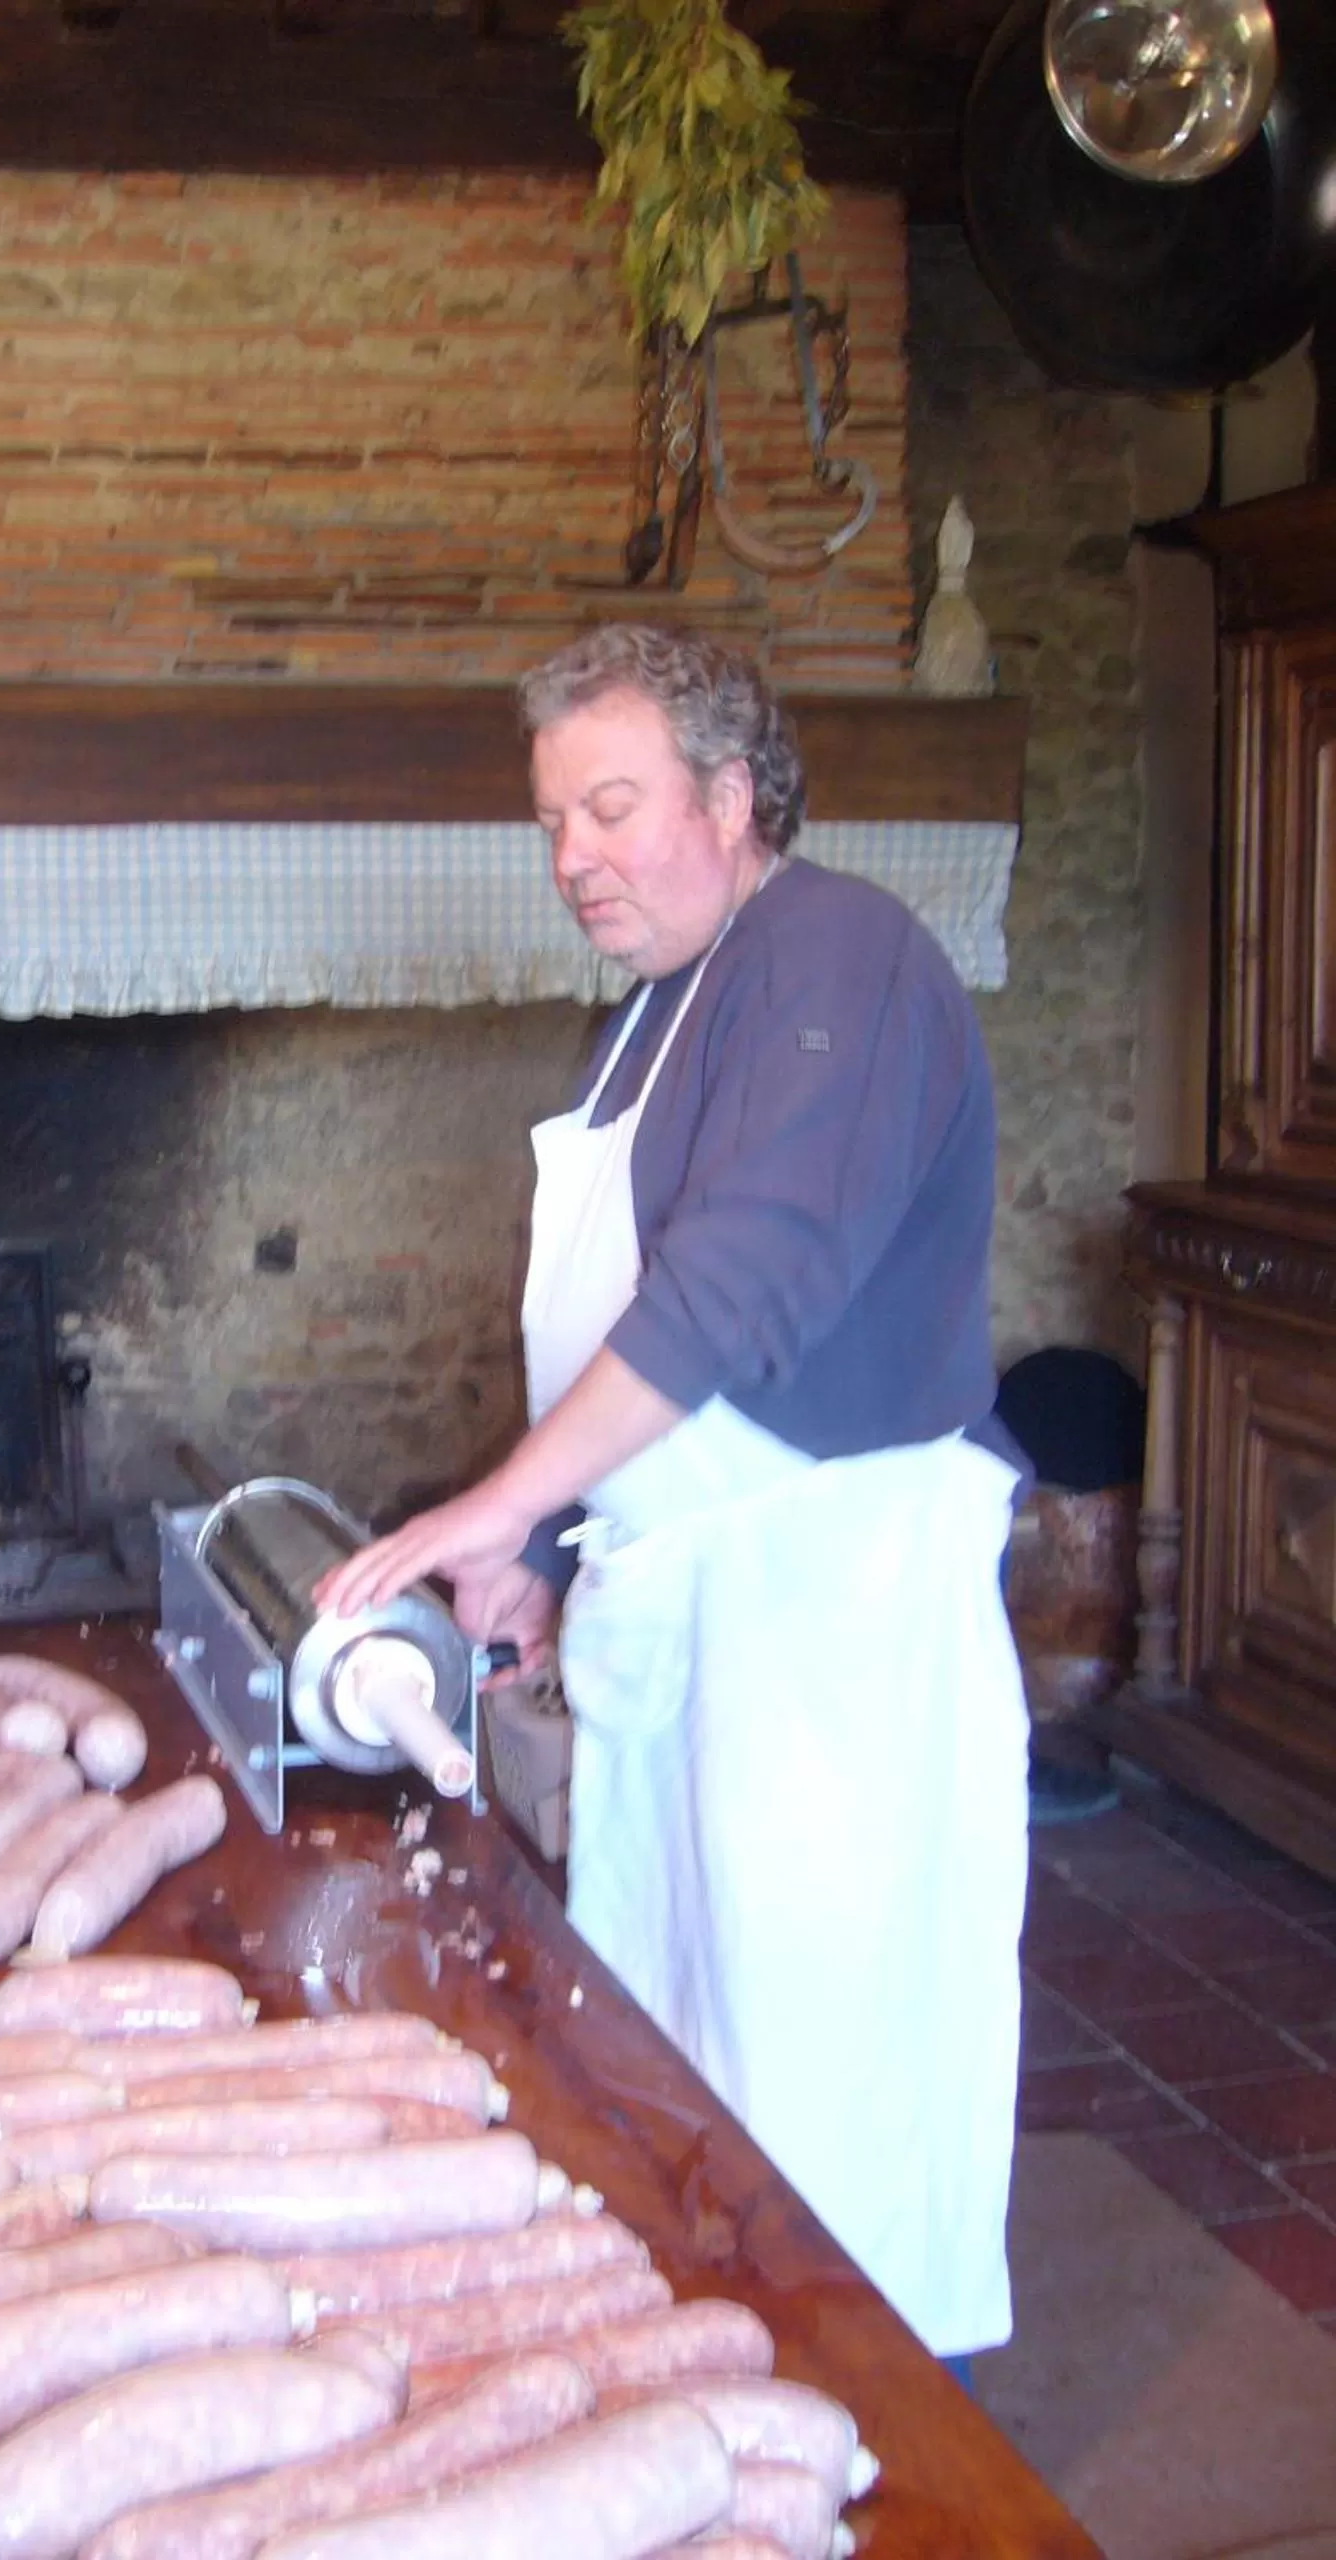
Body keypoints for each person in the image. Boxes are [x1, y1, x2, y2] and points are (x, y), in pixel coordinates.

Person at [316, 623, 1029, 2365]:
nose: (575, 856)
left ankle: (885, 2431)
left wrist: (497, 1507)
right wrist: (554, 1551)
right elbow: (619, 1344)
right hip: (694, 1614)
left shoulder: (841, 958)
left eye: (612, 807)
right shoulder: (644, 1019)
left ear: (728, 797)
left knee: (827, 2085)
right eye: (554, 821)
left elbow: (736, 1294)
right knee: (679, 2043)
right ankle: (719, 2386)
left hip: (829, 1639)